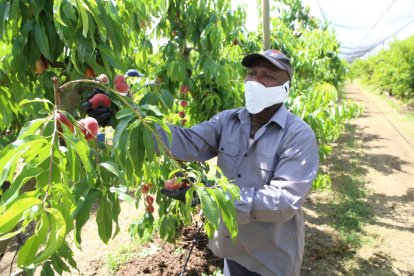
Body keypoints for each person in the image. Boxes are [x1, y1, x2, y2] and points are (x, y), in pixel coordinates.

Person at [87, 49, 319, 275]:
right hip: (232, 249)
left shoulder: (298, 135)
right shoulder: (229, 120)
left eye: (268, 76)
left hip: (270, 260)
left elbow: (284, 201)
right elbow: (187, 141)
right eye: (251, 74)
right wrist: (128, 116)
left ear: (285, 88)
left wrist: (211, 197)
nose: (255, 81)